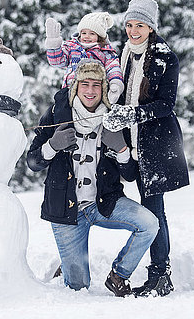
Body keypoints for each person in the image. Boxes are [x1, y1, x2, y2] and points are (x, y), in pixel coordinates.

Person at [26, 58, 158, 297]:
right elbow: (32, 161)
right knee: (78, 288)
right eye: (85, 84)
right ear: (76, 86)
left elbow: (129, 175)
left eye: (96, 85)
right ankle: (69, 265)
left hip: (104, 204)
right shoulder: (58, 113)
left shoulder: (114, 119)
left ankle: (119, 275)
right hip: (66, 211)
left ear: (104, 88)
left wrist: (121, 150)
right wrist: (53, 146)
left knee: (149, 224)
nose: (90, 90)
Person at [103, 0, 190, 297]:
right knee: (130, 203)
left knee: (154, 211)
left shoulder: (166, 57)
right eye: (129, 24)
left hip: (157, 147)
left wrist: (133, 114)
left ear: (151, 27)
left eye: (139, 25)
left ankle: (160, 274)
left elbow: (167, 105)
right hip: (132, 144)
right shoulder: (124, 53)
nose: (133, 30)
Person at [44, 12, 124, 104]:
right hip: (70, 92)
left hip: (93, 94)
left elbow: (113, 68)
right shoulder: (71, 47)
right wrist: (53, 44)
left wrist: (115, 84)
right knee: (60, 114)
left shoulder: (105, 52)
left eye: (92, 34)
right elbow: (57, 62)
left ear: (99, 36)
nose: (87, 36)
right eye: (84, 33)